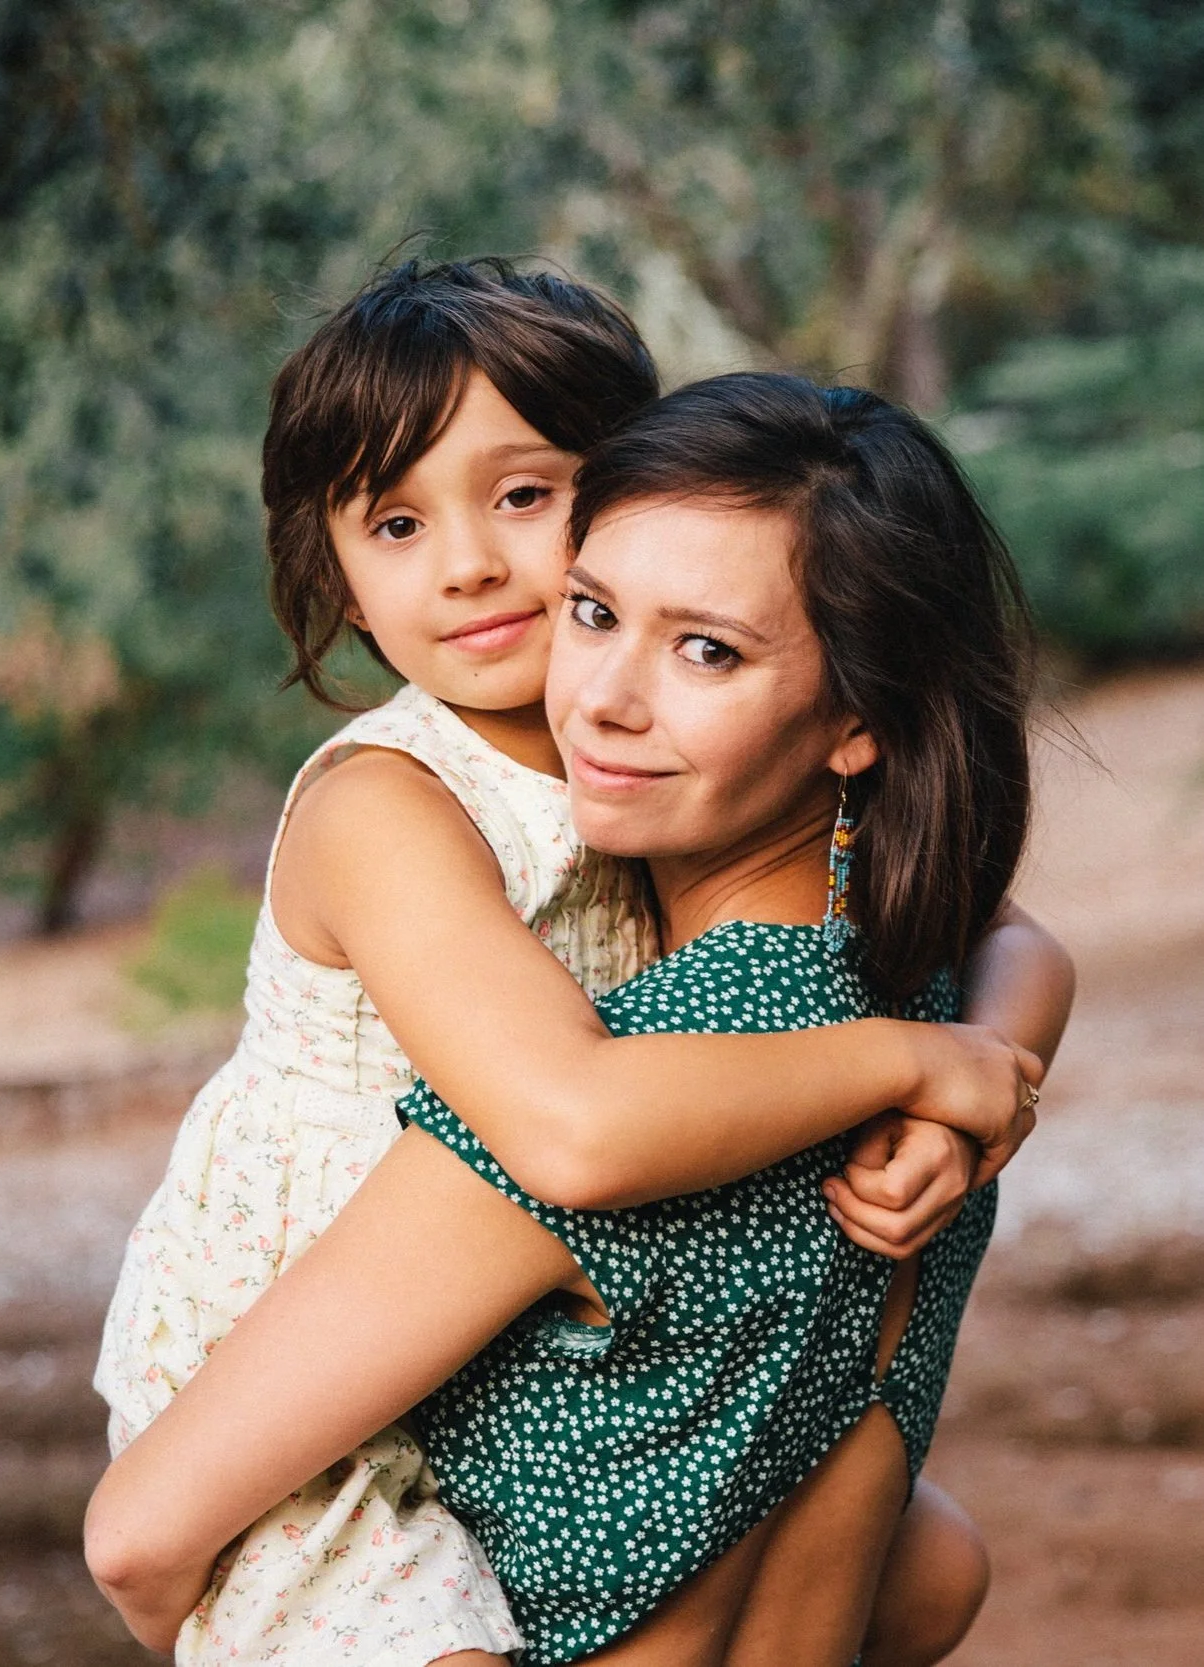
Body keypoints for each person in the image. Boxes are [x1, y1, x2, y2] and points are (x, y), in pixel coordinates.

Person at [87, 360, 1070, 1666]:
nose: (601, 697)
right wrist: (971, 1066)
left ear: (860, 714)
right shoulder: (914, 1008)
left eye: (707, 650)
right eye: (595, 613)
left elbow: (139, 1535)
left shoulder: (657, 1078)